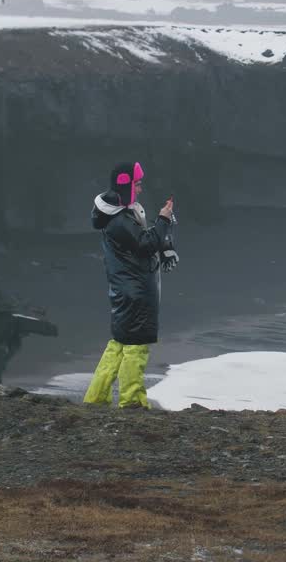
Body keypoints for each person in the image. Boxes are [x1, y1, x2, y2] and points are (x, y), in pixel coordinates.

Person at [83, 162, 178, 409]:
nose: (140, 189)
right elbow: (146, 244)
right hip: (135, 291)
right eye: (137, 184)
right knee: (135, 348)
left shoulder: (116, 216)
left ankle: (96, 397)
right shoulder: (121, 221)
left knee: (118, 344)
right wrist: (163, 220)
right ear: (126, 186)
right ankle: (132, 400)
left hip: (124, 290)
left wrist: (165, 242)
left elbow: (145, 243)